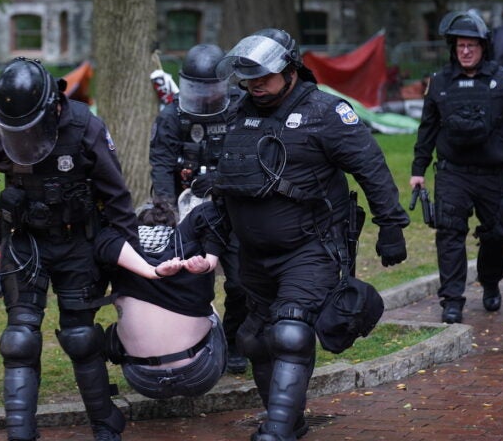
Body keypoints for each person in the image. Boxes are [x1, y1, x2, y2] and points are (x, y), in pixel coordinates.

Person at [0, 57, 140, 441]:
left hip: (77, 243)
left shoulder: (86, 127)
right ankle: (21, 432)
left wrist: (129, 259)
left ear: (54, 105)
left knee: (81, 337)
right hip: (25, 243)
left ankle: (105, 424)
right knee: (19, 340)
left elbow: (116, 196)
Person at [213, 28, 409, 441]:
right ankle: (292, 420)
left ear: (291, 69)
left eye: (264, 76)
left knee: (290, 330)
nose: (256, 85)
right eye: (248, 78)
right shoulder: (237, 112)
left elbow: (371, 168)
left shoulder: (326, 112)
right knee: (255, 337)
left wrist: (390, 226)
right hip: (252, 254)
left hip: (311, 247)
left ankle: (278, 431)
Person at [410, 11, 503, 325]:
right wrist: (418, 169)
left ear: (483, 47)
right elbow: (427, 129)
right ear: (453, 48)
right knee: (449, 235)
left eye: (472, 46)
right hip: (453, 173)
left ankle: (490, 281)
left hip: (492, 174)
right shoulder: (439, 82)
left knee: (498, 235)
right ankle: (452, 300)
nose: (466, 51)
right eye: (460, 45)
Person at [149, 43, 249, 374]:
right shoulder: (171, 117)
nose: (205, 96)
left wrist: (225, 183)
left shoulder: (240, 110)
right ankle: (191, 344)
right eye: (198, 89)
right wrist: (166, 208)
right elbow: (162, 163)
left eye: (211, 88)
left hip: (231, 208)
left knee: (239, 282)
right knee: (186, 278)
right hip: (185, 210)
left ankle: (234, 342)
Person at [94, 198, 229, 399]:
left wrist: (150, 272)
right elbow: (211, 210)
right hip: (199, 374)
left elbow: (103, 234)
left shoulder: (122, 253)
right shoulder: (186, 246)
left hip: (142, 379)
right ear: (174, 226)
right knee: (211, 311)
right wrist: (210, 262)